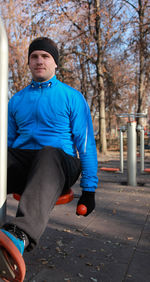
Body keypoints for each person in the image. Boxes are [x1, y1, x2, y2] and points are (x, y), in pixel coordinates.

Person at [0, 37, 98, 280]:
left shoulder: (71, 96)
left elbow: (85, 144)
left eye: (45, 56)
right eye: (34, 57)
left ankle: (19, 235)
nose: (39, 61)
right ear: (29, 63)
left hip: (61, 162)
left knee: (47, 152)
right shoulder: (17, 100)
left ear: (56, 64)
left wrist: (89, 189)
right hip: (26, 163)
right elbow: (9, 145)